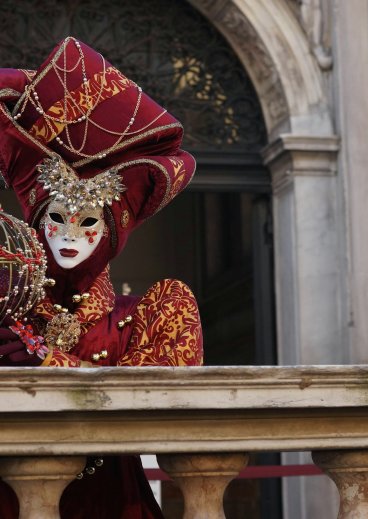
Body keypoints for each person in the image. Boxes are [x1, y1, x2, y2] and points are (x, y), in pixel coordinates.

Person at [0, 37, 203, 518]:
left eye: (88, 219)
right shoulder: (7, 310)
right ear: (35, 220)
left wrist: (51, 364)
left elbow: (161, 412)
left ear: (114, 231)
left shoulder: (154, 313)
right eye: (56, 218)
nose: (70, 233)